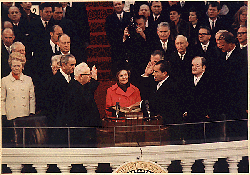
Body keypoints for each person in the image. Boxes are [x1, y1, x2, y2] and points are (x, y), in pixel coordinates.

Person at [60, 62, 102, 146]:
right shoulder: (74, 89)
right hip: (79, 134)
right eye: (88, 74)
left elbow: (87, 92)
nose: (90, 76)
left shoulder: (79, 86)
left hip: (84, 131)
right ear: (80, 76)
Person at [180, 56, 219, 142]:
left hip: (205, 118)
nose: (194, 68)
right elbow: (183, 98)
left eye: (197, 66)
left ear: (203, 67)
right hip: (190, 118)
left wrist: (209, 113)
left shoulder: (211, 80)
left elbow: (214, 99)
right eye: (192, 65)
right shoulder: (187, 80)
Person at [1, 52, 35, 145]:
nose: (16, 68)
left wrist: (32, 112)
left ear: (22, 66)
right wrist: (3, 114)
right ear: (10, 66)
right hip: (11, 115)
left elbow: (31, 98)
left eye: (18, 66)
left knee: (25, 140)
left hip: (25, 114)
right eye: (14, 66)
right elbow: (2, 99)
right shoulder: (4, 80)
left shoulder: (28, 79)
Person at [105, 1, 131, 74]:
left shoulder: (129, 16)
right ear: (113, 7)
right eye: (115, 5)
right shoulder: (109, 19)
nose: (118, 6)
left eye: (119, 4)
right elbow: (109, 34)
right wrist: (121, 39)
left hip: (129, 45)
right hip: (116, 46)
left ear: (123, 5)